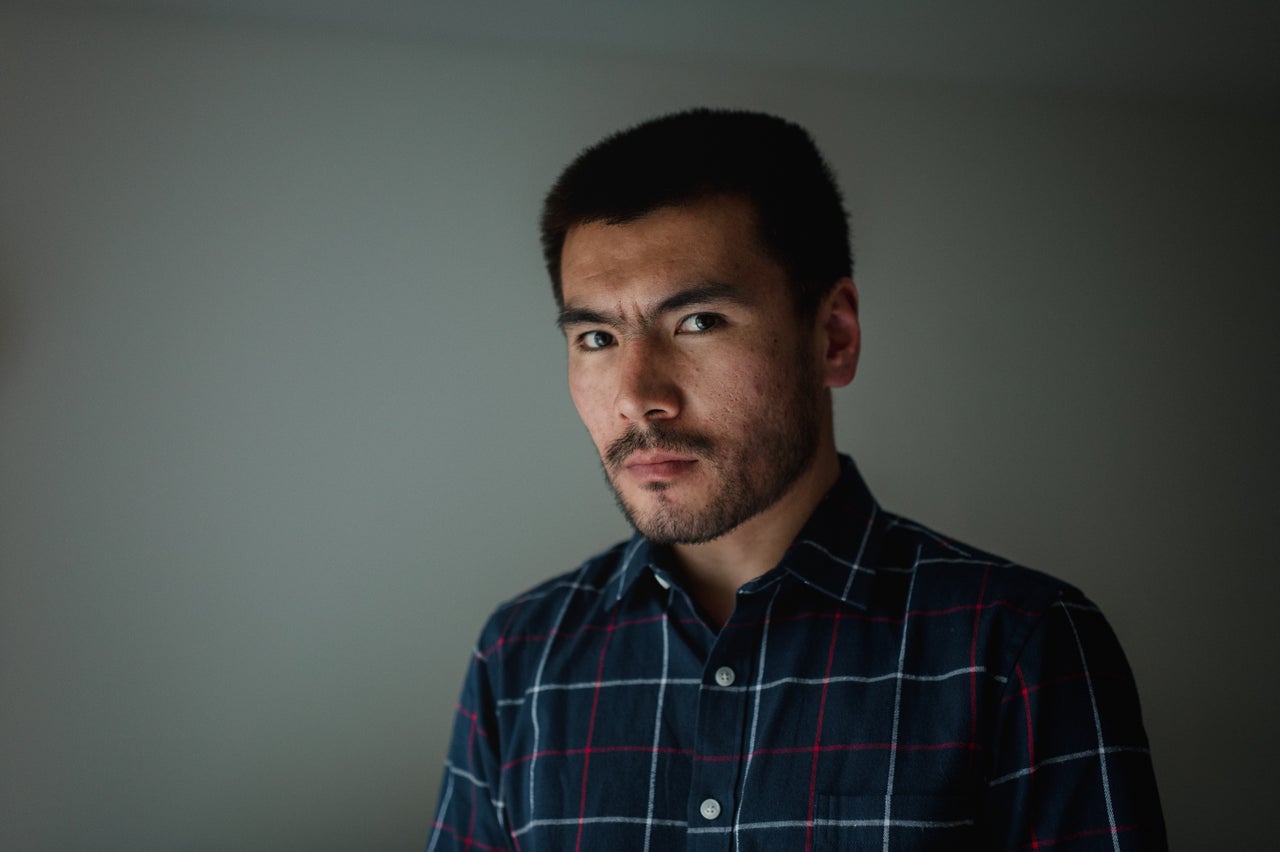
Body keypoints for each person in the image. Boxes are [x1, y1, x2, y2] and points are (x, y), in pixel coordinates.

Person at [427, 108, 1166, 851]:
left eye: (699, 322)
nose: (635, 394)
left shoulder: (1020, 648)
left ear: (833, 337)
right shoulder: (520, 658)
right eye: (596, 338)